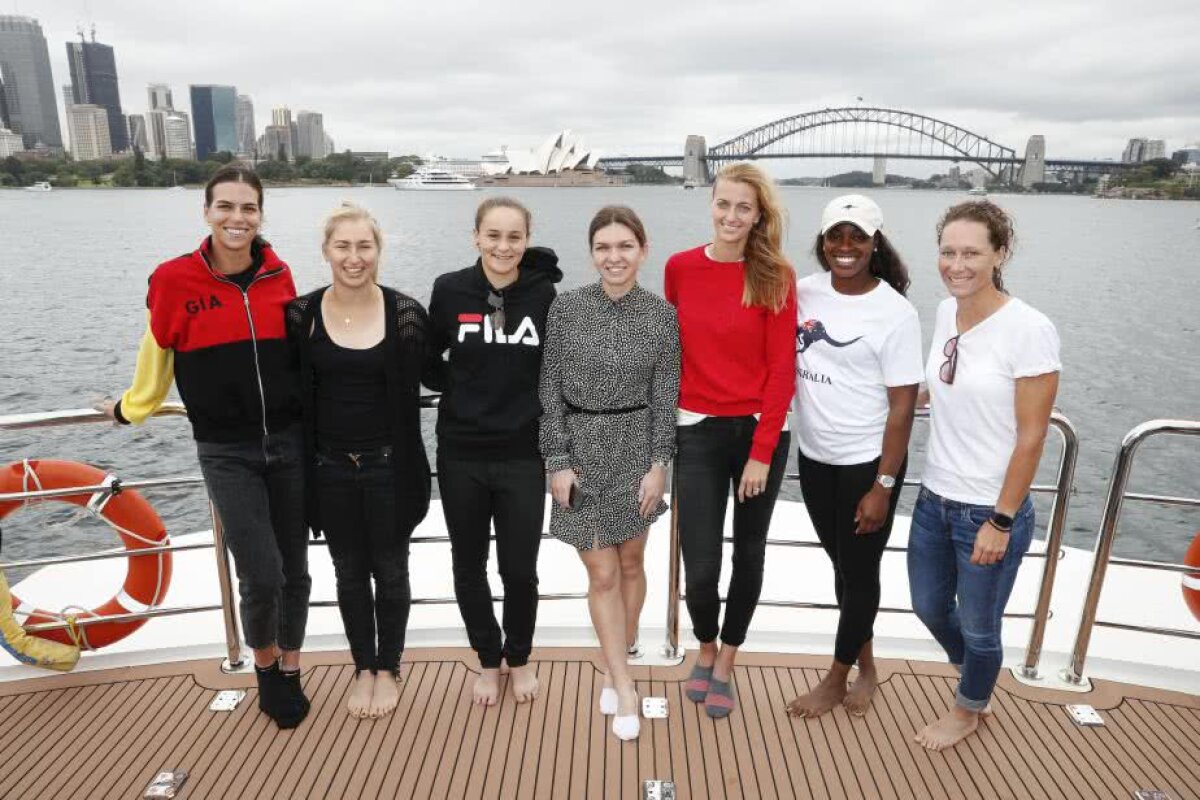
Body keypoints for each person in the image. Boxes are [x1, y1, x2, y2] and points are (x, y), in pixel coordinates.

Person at [99, 165, 311, 729]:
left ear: (260, 214)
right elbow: (157, 351)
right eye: (226, 207)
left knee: (296, 569)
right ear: (207, 212)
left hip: (289, 442)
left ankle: (292, 666)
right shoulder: (173, 279)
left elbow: (296, 358)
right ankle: (265, 667)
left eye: (248, 208)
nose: (237, 219)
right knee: (261, 573)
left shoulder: (280, 274)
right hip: (227, 450)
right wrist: (133, 405)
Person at [908, 200, 1060, 750]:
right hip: (933, 498)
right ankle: (979, 675)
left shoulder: (1029, 330)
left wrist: (1001, 518)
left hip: (987, 511)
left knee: (979, 626)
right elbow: (940, 387)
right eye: (948, 252)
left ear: (1000, 252)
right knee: (927, 606)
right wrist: (885, 401)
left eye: (971, 252)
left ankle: (969, 706)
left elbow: (1032, 436)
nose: (957, 264)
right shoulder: (948, 311)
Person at [286, 203, 432, 719]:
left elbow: (451, 370)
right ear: (326, 251)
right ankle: (363, 667)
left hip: (390, 467)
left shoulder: (408, 314)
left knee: (391, 572)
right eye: (343, 246)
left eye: (364, 246)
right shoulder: (300, 316)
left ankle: (388, 667)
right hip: (328, 469)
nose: (354, 257)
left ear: (378, 251)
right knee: (348, 574)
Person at [539, 206, 679, 740]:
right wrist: (557, 460)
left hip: (637, 449)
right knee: (601, 574)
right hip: (580, 451)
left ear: (643, 249)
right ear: (591, 253)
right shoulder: (568, 309)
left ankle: (614, 657)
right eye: (604, 247)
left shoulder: (661, 315)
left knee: (631, 561)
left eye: (625, 246)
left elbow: (664, 397)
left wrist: (659, 464)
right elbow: (548, 389)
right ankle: (624, 684)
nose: (614, 257)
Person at [665, 162, 797, 719]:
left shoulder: (775, 276)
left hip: (757, 435)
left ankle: (728, 662)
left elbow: (781, 371)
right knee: (699, 558)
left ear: (759, 214)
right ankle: (705, 644)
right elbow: (671, 351)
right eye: (724, 204)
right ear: (711, 203)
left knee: (748, 551)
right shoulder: (680, 268)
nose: (731, 216)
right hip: (695, 428)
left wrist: (762, 453)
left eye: (744, 207)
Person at [783, 195, 922, 719]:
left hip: (869, 462)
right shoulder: (805, 293)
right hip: (816, 458)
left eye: (857, 237)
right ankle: (869, 668)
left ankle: (837, 679)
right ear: (822, 243)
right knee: (844, 568)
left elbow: (903, 405)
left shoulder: (895, 312)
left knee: (859, 574)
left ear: (874, 242)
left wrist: (883, 486)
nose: (845, 247)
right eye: (835, 236)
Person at [426, 197, 562, 706]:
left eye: (514, 237)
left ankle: (520, 657)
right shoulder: (450, 289)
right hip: (461, 451)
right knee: (468, 564)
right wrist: (460, 386)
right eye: (494, 236)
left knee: (520, 568)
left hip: (523, 453)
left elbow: (554, 371)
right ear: (476, 237)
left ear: (526, 240)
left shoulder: (545, 295)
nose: (503, 247)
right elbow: (428, 358)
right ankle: (487, 658)